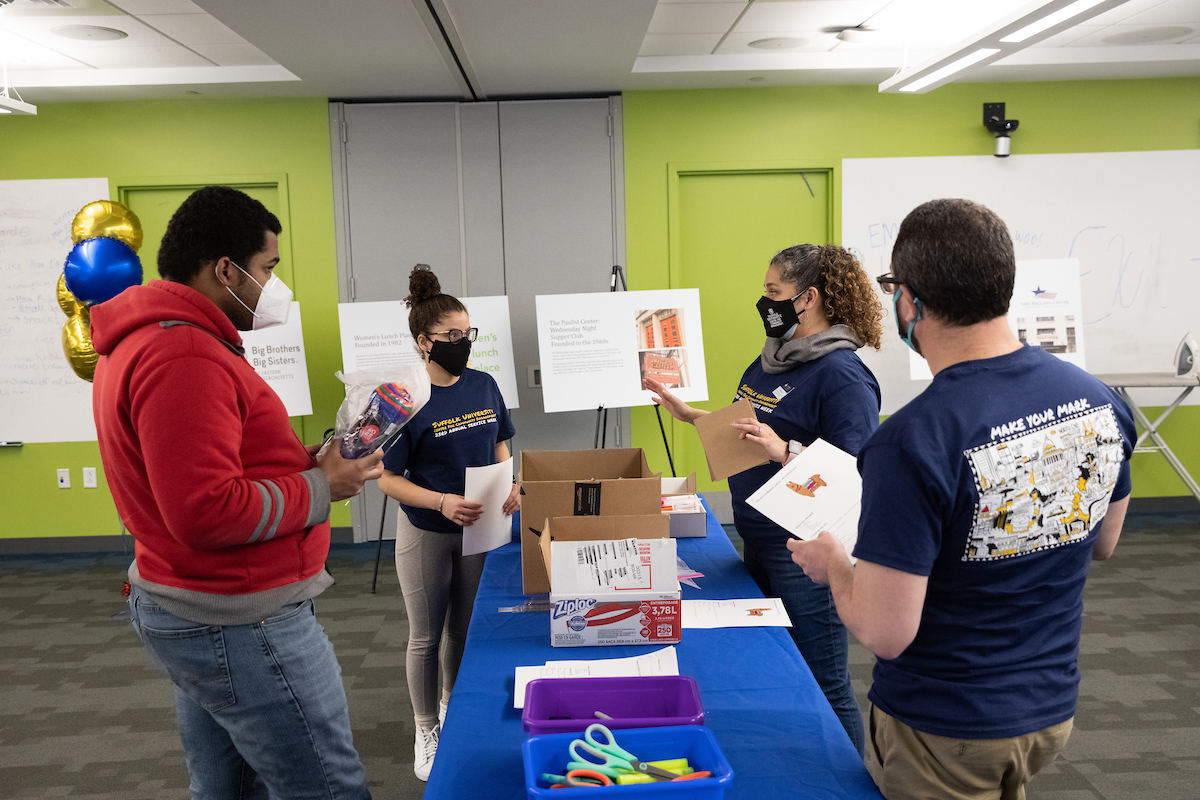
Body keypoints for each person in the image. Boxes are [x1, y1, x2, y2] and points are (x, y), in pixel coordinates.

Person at [789, 198, 1135, 800]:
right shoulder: (1099, 400)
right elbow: (1102, 541)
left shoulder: (913, 440)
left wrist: (834, 567)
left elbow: (883, 630)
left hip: (945, 726)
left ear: (911, 300)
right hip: (1048, 709)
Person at [91, 186, 382, 798]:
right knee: (325, 786)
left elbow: (213, 467)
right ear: (225, 269)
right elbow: (205, 510)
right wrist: (323, 484)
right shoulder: (184, 353)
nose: (276, 284)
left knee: (227, 787)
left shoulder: (161, 340)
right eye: (269, 267)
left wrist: (302, 464)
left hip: (201, 602)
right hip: (237, 616)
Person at [646, 243, 883, 755]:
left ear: (809, 298)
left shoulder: (843, 375)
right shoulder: (773, 358)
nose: (765, 302)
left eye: (773, 292)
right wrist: (690, 416)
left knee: (825, 679)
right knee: (778, 665)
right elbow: (748, 429)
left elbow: (855, 475)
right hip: (756, 535)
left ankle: (846, 784)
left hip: (804, 549)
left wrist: (785, 451)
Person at [377, 265, 518, 781]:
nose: (463, 344)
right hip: (428, 532)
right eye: (451, 336)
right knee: (425, 635)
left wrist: (512, 482)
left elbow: (500, 442)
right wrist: (440, 503)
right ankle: (425, 726)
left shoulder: (483, 384)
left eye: (468, 334)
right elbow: (388, 480)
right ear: (423, 342)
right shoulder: (403, 397)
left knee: (462, 628)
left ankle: (452, 704)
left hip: (480, 529)